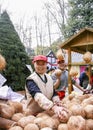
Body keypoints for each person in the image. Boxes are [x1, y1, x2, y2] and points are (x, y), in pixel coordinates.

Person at [25, 55, 68, 119]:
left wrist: (57, 102)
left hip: (47, 113)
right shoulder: (30, 79)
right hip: (33, 115)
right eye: (38, 64)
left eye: (43, 64)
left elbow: (53, 92)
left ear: (46, 65)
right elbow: (38, 95)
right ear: (34, 64)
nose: (40, 66)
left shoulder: (49, 77)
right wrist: (54, 107)